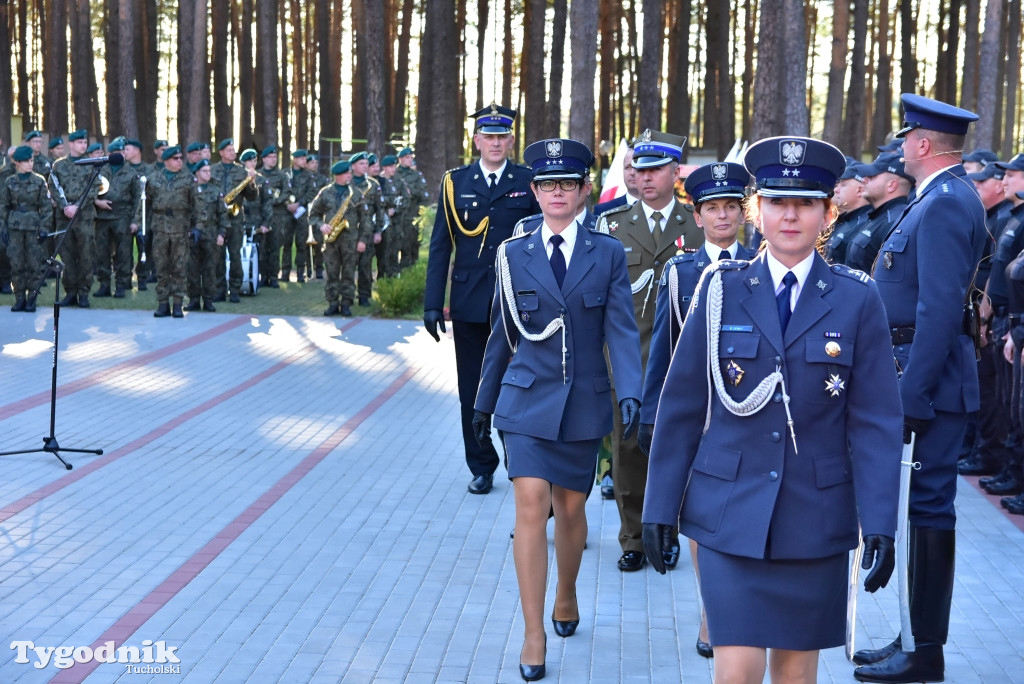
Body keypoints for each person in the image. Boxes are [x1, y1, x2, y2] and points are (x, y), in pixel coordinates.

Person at [643, 135, 901, 684]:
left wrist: (880, 522)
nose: (791, 215)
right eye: (778, 202)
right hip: (728, 513)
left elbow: (875, 421)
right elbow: (683, 406)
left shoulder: (857, 298)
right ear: (757, 212)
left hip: (815, 518)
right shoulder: (719, 290)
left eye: (806, 202)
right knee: (735, 671)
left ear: (827, 212)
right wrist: (659, 507)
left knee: (794, 675)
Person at [473, 138, 641, 682]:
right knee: (530, 505)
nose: (557, 194)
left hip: (584, 401)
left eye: (567, 184)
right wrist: (483, 400)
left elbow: (619, 328)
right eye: (547, 185)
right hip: (525, 399)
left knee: (571, 510)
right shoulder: (512, 252)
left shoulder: (608, 252)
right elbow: (502, 332)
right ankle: (532, 632)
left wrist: (632, 391)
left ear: (585, 190)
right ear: (535, 192)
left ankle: (565, 593)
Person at [855, 94, 987, 684]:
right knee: (919, 510)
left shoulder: (945, 204)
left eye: (907, 137)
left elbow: (937, 310)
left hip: (927, 380)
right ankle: (911, 634)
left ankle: (925, 651)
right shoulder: (937, 199)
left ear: (924, 145)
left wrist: (911, 394)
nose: (901, 146)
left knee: (931, 509)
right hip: (915, 371)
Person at [636, 161, 754, 658]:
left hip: (748, 408)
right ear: (698, 216)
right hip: (698, 415)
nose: (723, 215)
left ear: (744, 212)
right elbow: (662, 347)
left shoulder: (762, 265)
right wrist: (649, 413)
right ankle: (713, 609)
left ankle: (731, 606)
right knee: (702, 515)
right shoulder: (680, 273)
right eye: (712, 208)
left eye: (732, 206)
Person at [595, 129, 703, 573]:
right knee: (628, 448)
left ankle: (671, 530)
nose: (646, 177)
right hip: (631, 359)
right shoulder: (612, 224)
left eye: (657, 169)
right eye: (640, 169)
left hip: (685, 359)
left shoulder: (696, 223)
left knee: (680, 446)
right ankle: (634, 536)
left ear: (676, 172)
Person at [423, 104, 540, 495]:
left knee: (518, 383)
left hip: (516, 304)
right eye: (487, 136)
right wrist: (431, 302)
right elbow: (441, 246)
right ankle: (481, 464)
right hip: (471, 302)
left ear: (511, 141)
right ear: (476, 141)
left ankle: (518, 459)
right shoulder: (456, 182)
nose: (495, 143)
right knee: (471, 387)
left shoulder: (528, 181)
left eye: (501, 136)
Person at [308, 160, 374, 317]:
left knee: (349, 273)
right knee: (331, 272)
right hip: (331, 240)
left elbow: (365, 220)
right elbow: (313, 214)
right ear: (338, 175)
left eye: (350, 173)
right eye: (347, 173)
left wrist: (363, 240)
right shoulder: (325, 192)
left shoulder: (356, 194)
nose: (350, 175)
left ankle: (346, 303)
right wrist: (321, 225)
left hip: (351, 239)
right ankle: (332, 303)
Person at [49, 129, 100, 308]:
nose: (83, 145)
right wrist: (65, 206)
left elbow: (95, 188)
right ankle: (70, 292)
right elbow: (54, 186)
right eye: (79, 142)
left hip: (84, 217)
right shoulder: (58, 165)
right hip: (64, 217)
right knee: (67, 256)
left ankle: (84, 293)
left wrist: (78, 206)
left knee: (86, 255)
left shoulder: (92, 164)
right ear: (71, 144)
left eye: (85, 142)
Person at [147, 145, 197, 318]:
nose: (179, 161)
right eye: (175, 159)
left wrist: (195, 227)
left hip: (180, 228)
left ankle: (177, 303)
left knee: (179, 267)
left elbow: (195, 205)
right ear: (166, 160)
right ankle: (162, 304)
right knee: (161, 266)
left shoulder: (189, 179)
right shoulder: (153, 179)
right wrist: (143, 227)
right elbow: (147, 203)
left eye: (180, 158)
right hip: (160, 228)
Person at [0, 145, 50, 312]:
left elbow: (47, 208)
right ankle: (19, 298)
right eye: (26, 161)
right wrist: (4, 228)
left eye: (31, 160)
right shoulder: (9, 182)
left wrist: (44, 228)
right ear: (17, 163)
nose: (30, 164)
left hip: (33, 227)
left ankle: (32, 299)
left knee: (34, 265)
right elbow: (4, 206)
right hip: (14, 227)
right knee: (16, 264)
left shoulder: (39, 180)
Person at [845, 153, 913, 273]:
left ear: (891, 185)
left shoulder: (895, 221)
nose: (864, 180)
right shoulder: (878, 216)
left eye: (872, 176)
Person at [210, 138, 257, 302]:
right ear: (221, 152)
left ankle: (235, 289)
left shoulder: (242, 172)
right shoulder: (212, 170)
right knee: (218, 255)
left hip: (235, 218)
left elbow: (251, 197)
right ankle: (219, 289)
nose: (233, 152)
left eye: (233, 150)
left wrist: (252, 183)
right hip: (217, 218)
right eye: (229, 150)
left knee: (235, 254)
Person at [93, 139, 141, 299]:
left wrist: (135, 221)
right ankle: (104, 285)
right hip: (102, 218)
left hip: (122, 217)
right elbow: (90, 191)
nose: (121, 155)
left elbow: (137, 199)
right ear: (110, 154)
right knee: (101, 252)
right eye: (117, 152)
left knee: (123, 253)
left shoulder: (131, 173)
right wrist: (97, 202)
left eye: (123, 152)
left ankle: (121, 285)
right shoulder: (100, 171)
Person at [185, 159, 229, 312]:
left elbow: (223, 214)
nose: (208, 174)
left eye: (209, 171)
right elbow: (184, 212)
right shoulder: (189, 190)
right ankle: (194, 300)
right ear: (197, 173)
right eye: (204, 171)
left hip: (211, 234)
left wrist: (222, 233)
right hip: (193, 235)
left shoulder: (216, 191)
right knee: (192, 269)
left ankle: (209, 300)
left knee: (210, 269)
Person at [824, 160, 871, 265]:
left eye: (843, 185)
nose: (836, 190)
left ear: (860, 190)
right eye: (837, 185)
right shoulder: (844, 221)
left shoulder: (866, 224)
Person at [395, 147, 429, 269]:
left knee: (412, 246)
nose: (410, 160)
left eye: (411, 158)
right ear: (400, 159)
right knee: (396, 246)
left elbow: (423, 193)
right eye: (407, 158)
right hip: (397, 216)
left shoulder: (416, 175)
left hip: (412, 215)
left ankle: (411, 274)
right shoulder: (394, 174)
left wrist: (410, 192)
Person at [593, 145, 639, 216]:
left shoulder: (659, 207)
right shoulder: (603, 211)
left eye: (637, 167)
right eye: (627, 167)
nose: (632, 173)